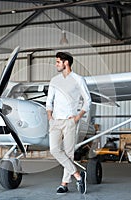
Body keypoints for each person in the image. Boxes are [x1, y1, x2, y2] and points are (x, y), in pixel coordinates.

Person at [46, 52, 92, 195]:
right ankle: (78, 175)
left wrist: (78, 117)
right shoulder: (54, 80)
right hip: (55, 121)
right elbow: (49, 100)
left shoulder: (78, 79)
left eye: (58, 62)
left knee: (69, 153)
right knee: (54, 149)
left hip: (70, 121)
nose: (56, 64)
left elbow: (88, 100)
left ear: (66, 63)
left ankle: (64, 184)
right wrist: (50, 117)